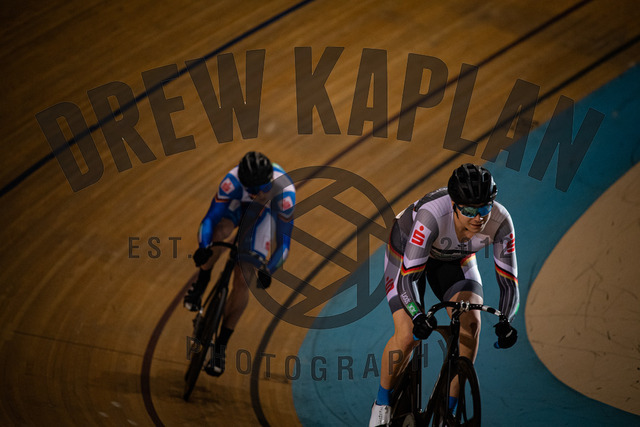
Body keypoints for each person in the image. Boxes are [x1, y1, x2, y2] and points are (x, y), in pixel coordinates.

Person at [369, 163, 519, 426]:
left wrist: (507, 320)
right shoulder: (431, 216)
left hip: (454, 258)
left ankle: (448, 410)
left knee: (470, 325)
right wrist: (417, 316)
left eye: (484, 209)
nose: (478, 218)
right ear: (454, 205)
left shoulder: (501, 221)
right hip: (407, 251)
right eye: (469, 211)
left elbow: (509, 282)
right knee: (408, 335)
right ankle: (382, 403)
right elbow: (408, 279)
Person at [184, 151, 295, 376]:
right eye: (250, 190)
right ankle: (202, 282)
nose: (255, 194)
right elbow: (210, 218)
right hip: (237, 206)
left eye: (260, 189)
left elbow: (284, 243)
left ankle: (221, 347)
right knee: (220, 231)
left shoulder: (284, 193)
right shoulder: (232, 181)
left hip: (264, 214)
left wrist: (268, 270)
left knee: (244, 278)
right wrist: (203, 247)